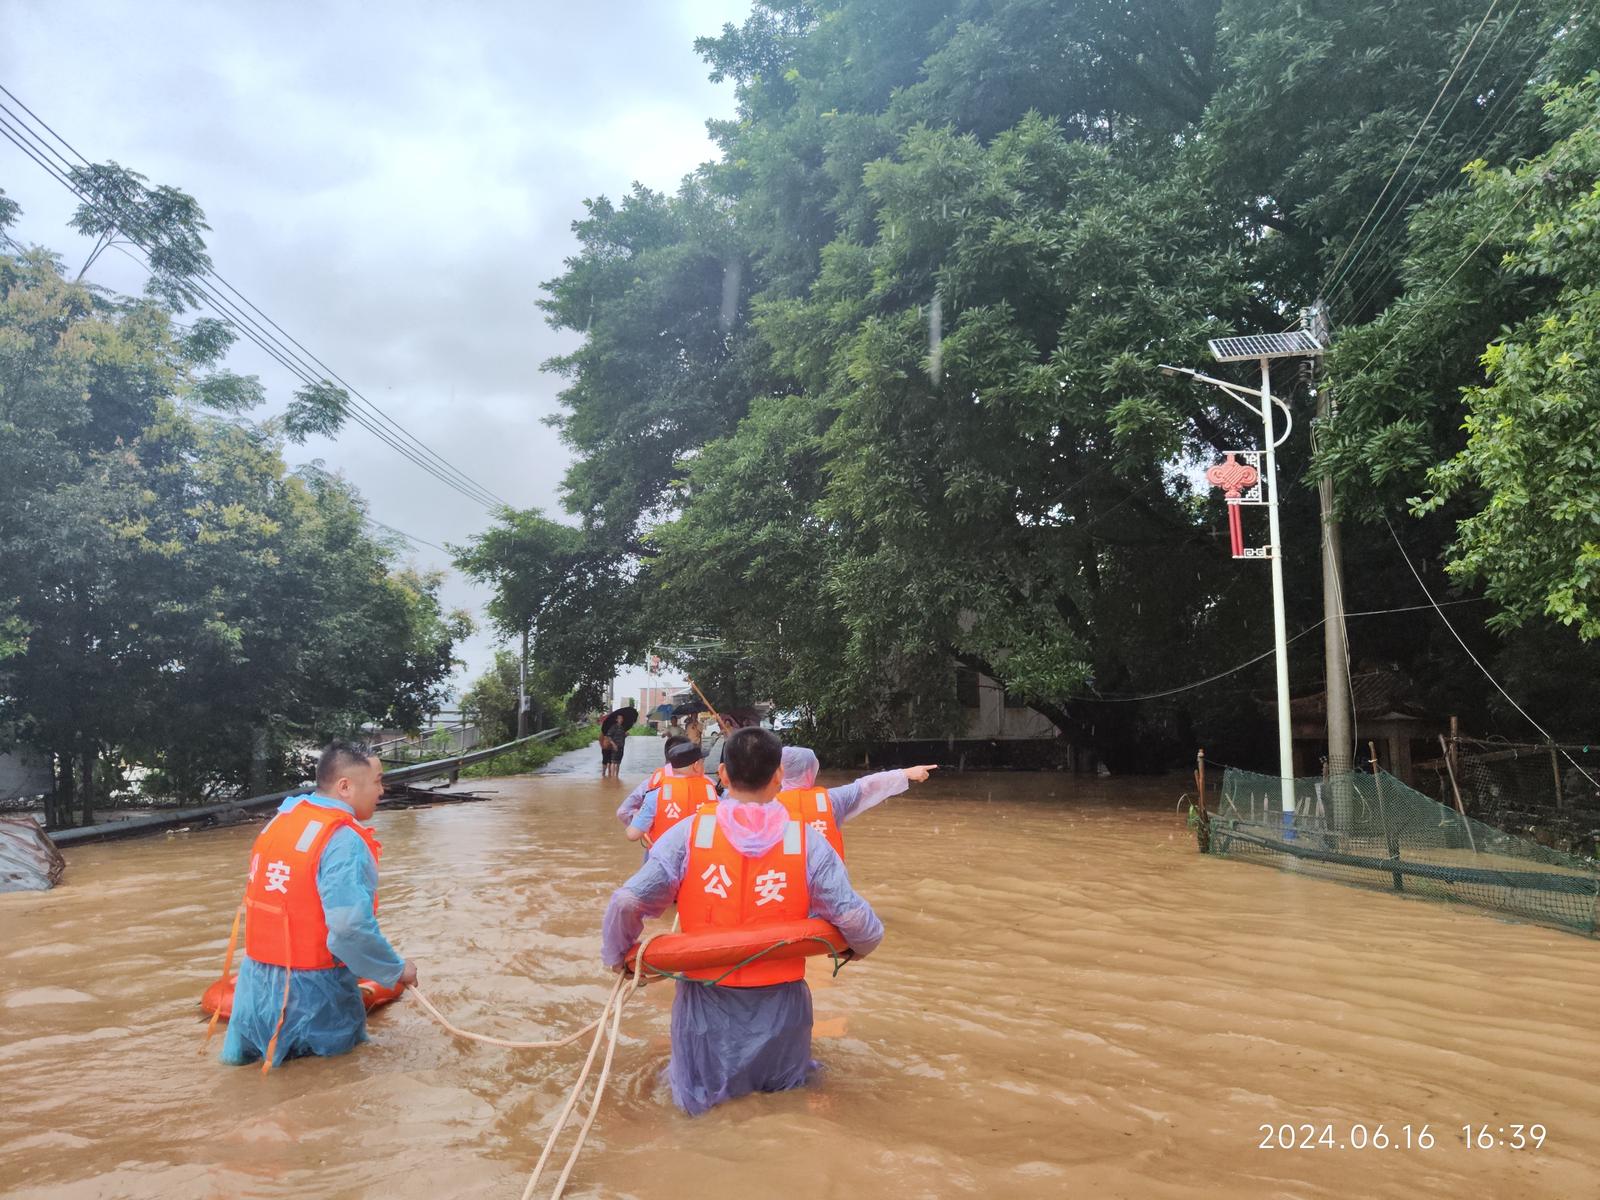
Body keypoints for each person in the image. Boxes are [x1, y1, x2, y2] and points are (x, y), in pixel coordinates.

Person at [601, 726, 882, 1115]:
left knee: (697, 1114)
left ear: (723, 776)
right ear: (779, 777)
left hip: (704, 1009)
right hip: (782, 1009)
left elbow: (628, 901)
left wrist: (619, 956)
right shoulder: (807, 842)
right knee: (787, 1109)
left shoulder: (689, 835)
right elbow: (856, 920)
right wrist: (859, 948)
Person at [220, 740, 416, 1070]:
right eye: (379, 780)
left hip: (255, 988)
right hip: (314, 997)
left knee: (253, 1082)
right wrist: (396, 970)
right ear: (346, 786)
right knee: (334, 1092)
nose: (383, 790)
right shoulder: (344, 841)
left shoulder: (280, 822)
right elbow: (348, 928)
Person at [777, 746, 938, 859]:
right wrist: (907, 773)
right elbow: (866, 787)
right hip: (825, 891)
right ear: (810, 771)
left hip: (785, 892)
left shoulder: (764, 808)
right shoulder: (831, 801)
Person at [628, 740, 718, 846]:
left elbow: (632, 835)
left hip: (665, 859)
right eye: (703, 762)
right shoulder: (713, 792)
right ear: (696, 765)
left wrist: (637, 816)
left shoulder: (656, 795)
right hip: (697, 859)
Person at [616, 734, 690, 828]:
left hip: (657, 839)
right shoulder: (708, 784)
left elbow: (623, 812)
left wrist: (643, 828)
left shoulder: (650, 784)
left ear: (666, 756)